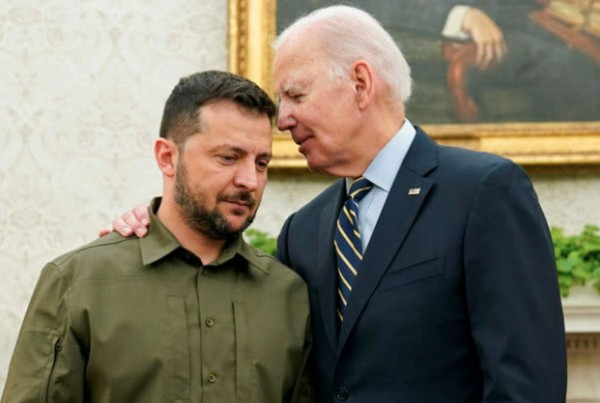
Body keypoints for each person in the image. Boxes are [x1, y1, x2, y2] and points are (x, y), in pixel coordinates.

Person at [109, 5, 567, 402]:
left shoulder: (484, 192)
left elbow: (527, 387)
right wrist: (153, 227)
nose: (282, 120)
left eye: (295, 94)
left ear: (361, 83)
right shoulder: (303, 230)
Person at [1, 71, 312, 403]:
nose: (250, 180)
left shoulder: (288, 295)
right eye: (228, 158)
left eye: (261, 163)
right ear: (168, 157)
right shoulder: (78, 282)